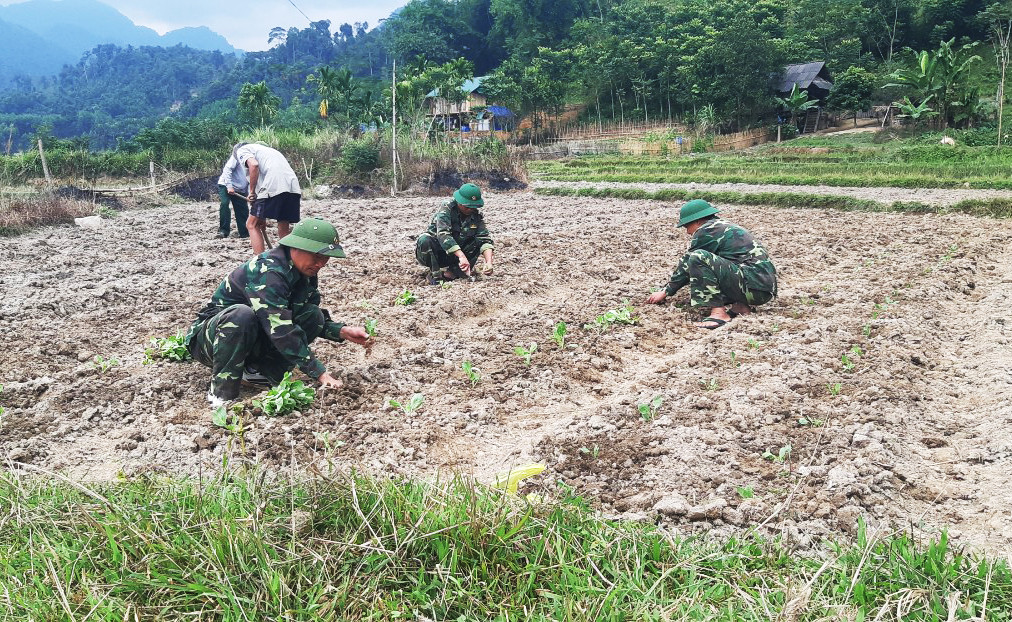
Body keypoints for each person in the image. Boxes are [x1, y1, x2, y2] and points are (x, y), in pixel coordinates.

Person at [184, 217, 372, 406]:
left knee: (313, 315)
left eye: (325, 258)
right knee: (241, 315)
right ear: (296, 247)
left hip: (253, 332)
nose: (320, 264)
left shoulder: (304, 272)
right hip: (210, 340)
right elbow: (280, 328)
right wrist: (319, 373)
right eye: (316, 257)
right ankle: (221, 394)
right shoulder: (269, 272)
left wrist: (341, 331)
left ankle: (259, 372)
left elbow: (299, 314)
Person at [646, 199, 777, 329]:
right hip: (761, 289)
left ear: (697, 221)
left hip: (753, 287)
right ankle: (741, 306)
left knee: (698, 257)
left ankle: (718, 313)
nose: (687, 232)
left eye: (687, 226)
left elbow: (687, 263)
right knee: (717, 262)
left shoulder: (708, 230)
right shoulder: (722, 227)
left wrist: (666, 291)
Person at [415, 183, 494, 285]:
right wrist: (461, 256)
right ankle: (435, 276)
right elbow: (443, 234)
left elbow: (484, 239)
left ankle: (452, 273)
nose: (470, 210)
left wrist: (489, 262)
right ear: (459, 202)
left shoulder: (476, 216)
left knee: (476, 242)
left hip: (455, 256)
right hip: (437, 252)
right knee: (425, 239)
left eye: (473, 207)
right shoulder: (447, 208)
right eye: (467, 206)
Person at [231, 142, 302, 254]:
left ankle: (260, 261)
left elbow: (253, 166)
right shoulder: (269, 151)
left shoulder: (242, 150)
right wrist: (261, 217)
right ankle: (288, 260)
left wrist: (251, 192)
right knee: (283, 225)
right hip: (292, 187)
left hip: (273, 184)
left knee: (251, 224)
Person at [215, 145, 250, 239]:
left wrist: (250, 194)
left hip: (241, 189)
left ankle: (244, 233)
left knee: (242, 210)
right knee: (225, 204)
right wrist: (229, 187)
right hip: (226, 184)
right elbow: (227, 170)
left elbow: (252, 179)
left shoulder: (255, 162)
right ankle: (223, 231)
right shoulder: (238, 156)